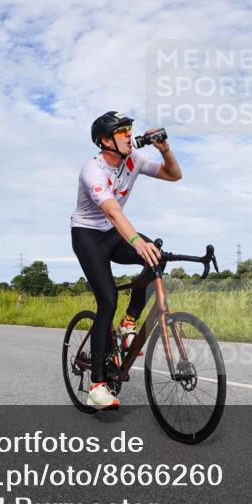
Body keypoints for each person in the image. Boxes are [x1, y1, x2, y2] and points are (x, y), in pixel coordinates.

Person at [70, 111, 182, 409]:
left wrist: (165, 150)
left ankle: (130, 321)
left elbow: (174, 175)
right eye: (122, 132)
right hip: (88, 236)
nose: (130, 135)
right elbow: (112, 210)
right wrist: (137, 242)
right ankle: (97, 386)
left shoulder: (133, 160)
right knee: (107, 299)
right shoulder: (92, 169)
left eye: (130, 129)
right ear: (106, 141)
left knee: (156, 258)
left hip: (112, 233)